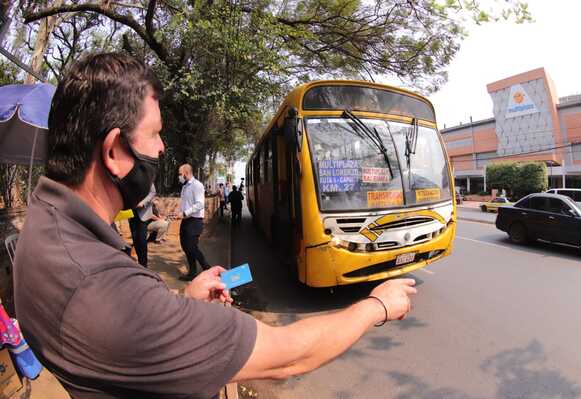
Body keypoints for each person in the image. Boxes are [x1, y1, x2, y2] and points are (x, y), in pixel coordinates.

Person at [13, 53, 417, 399]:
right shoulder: (106, 292)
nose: (161, 149)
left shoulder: (44, 221)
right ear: (115, 151)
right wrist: (376, 306)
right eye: (154, 135)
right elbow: (287, 354)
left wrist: (182, 303)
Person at [178, 164, 210, 281]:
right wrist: (178, 212)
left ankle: (208, 269)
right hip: (186, 220)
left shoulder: (197, 185)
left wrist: (185, 213)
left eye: (180, 174)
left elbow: (200, 204)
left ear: (186, 173)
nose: (179, 176)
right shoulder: (185, 187)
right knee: (185, 246)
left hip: (195, 221)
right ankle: (192, 272)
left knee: (192, 247)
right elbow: (185, 203)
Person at [128, 183, 156, 266]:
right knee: (135, 239)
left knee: (141, 239)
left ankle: (144, 264)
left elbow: (152, 192)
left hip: (143, 213)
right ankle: (140, 262)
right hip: (131, 213)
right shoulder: (127, 176)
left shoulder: (145, 175)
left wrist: (143, 203)